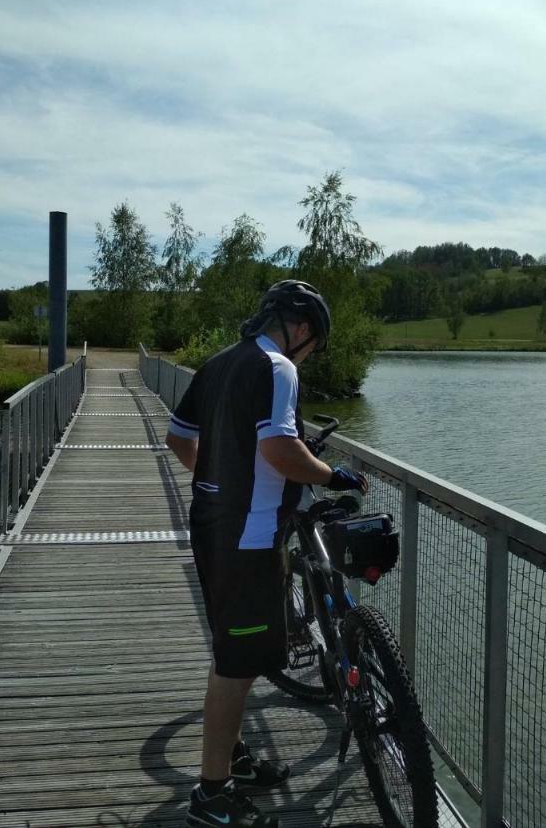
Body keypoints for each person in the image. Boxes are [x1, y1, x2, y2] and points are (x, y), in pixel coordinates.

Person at [165, 279, 369, 828]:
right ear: (301, 329)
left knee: (238, 653)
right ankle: (211, 796)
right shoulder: (278, 367)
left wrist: (215, 478)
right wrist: (332, 475)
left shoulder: (219, 363)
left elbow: (179, 438)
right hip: (249, 538)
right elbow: (281, 449)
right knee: (235, 665)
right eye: (314, 343)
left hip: (211, 525)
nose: (310, 353)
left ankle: (231, 760)